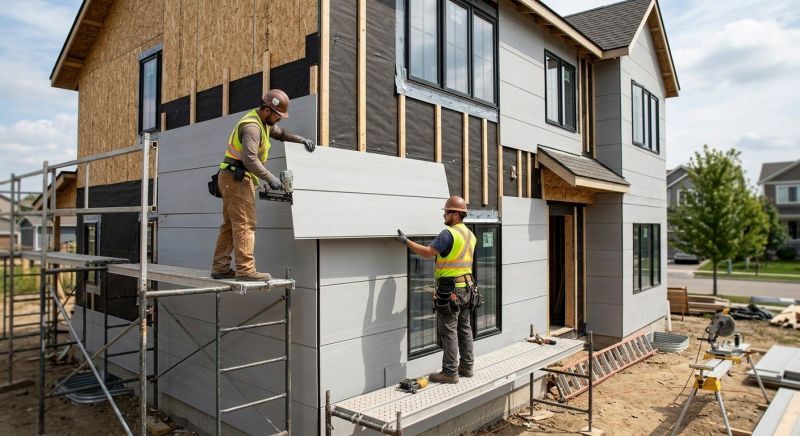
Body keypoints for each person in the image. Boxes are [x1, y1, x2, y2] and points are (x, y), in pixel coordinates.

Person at [211, 89, 315, 281]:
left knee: (229, 225)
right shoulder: (252, 128)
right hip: (237, 179)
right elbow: (250, 160)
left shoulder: (263, 123)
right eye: (278, 115)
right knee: (245, 224)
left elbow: (281, 134)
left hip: (231, 178)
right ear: (267, 110)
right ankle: (246, 270)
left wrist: (301, 140)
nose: (279, 120)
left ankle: (220, 267)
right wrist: (271, 178)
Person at [395, 196, 477, 383]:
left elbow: (427, 253)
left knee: (448, 330)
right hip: (467, 288)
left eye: (447, 212)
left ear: (456, 214)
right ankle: (466, 367)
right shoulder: (470, 235)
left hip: (451, 290)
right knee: (464, 328)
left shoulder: (448, 234)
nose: (444, 215)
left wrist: (406, 241)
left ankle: (449, 372)